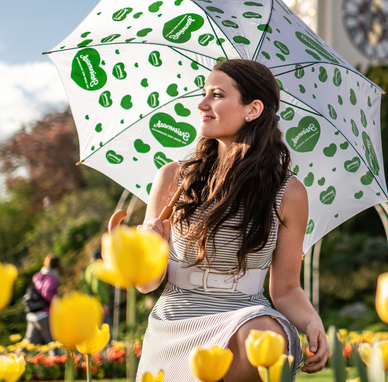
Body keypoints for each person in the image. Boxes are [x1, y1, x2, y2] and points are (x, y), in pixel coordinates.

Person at [134, 59, 330, 382]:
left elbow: (285, 288)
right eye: (204, 93)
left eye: (216, 95)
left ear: (252, 109)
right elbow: (146, 284)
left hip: (246, 314)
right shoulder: (172, 178)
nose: (202, 104)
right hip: (175, 321)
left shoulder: (288, 193)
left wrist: (311, 322)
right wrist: (148, 246)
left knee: (263, 338)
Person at [23, 254, 60, 345]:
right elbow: (47, 292)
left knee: (29, 342)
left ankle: (15, 358)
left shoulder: (39, 276)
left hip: (33, 312)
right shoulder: (52, 277)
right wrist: (56, 302)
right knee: (54, 343)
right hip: (44, 314)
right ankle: (57, 359)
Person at [80, 247, 112, 326]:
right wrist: (104, 303)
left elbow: (83, 287)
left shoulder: (87, 269)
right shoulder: (98, 267)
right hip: (99, 305)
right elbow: (98, 286)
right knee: (105, 331)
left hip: (89, 304)